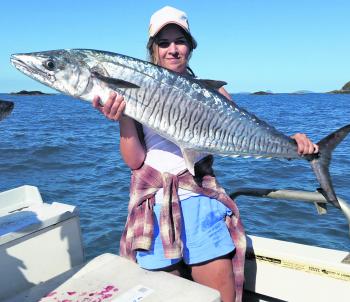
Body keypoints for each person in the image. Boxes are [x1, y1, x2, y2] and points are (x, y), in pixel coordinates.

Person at [92, 6, 318, 302]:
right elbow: (134, 161)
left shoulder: (216, 93)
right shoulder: (135, 87)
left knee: (221, 296)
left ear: (190, 46)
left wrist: (292, 144)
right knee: (163, 295)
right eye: (164, 43)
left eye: (180, 41)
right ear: (154, 49)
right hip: (155, 207)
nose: (173, 50)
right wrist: (122, 117)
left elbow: (246, 132)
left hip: (200, 199)